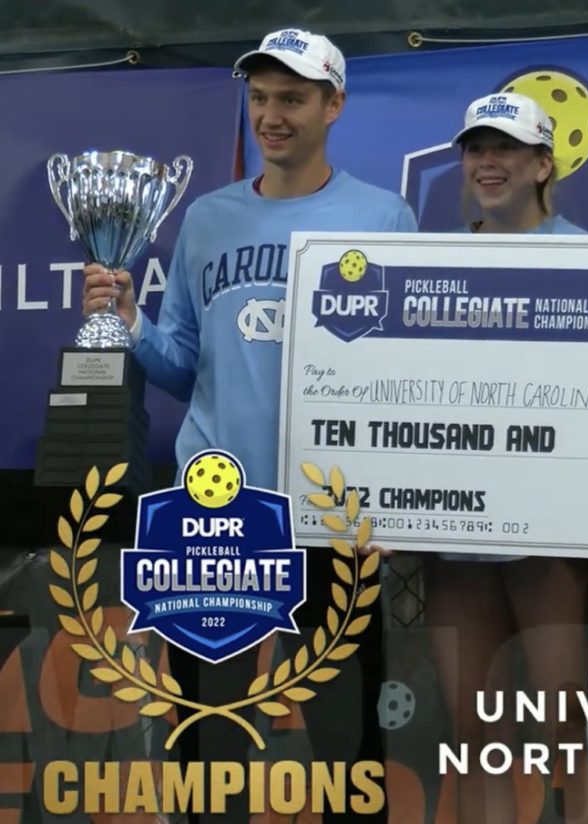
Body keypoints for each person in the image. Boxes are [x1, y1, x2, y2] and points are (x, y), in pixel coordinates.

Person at [81, 28, 417, 824]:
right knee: (208, 730)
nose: (272, 115)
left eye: (292, 99)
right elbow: (181, 365)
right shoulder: (207, 217)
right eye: (261, 97)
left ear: (334, 105)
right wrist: (131, 325)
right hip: (215, 507)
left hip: (332, 509)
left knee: (343, 736)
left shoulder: (384, 214)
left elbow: (406, 380)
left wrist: (394, 498)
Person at [423, 91, 588, 824]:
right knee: (474, 739)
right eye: (476, 149)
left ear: (543, 164)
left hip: (553, 543)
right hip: (454, 544)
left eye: (504, 148)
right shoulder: (429, 265)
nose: (487, 163)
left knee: (571, 735)